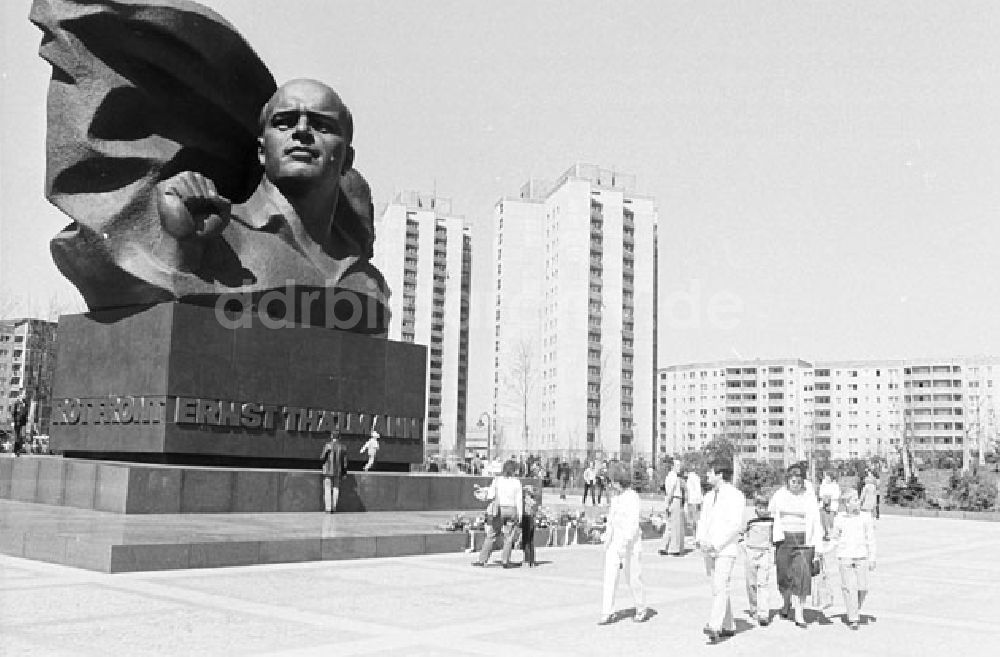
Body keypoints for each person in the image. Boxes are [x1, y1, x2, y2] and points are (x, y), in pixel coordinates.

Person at [696, 459, 746, 644]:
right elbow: (703, 520)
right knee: (718, 587)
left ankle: (714, 625)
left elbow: (734, 525)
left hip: (726, 548)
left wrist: (716, 544)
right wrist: (700, 540)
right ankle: (729, 624)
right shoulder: (709, 496)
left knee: (720, 586)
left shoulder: (736, 496)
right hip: (709, 549)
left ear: (720, 474)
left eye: (710, 472)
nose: (707, 475)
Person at [769, 465, 824, 628]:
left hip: (804, 541)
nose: (795, 484)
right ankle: (786, 602)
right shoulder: (780, 495)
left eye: (798, 482)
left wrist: (818, 548)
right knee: (784, 575)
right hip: (784, 540)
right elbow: (770, 512)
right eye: (792, 481)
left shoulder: (809, 496)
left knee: (802, 576)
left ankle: (799, 613)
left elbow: (816, 521)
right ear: (787, 481)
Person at [598, 470, 651, 625]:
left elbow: (632, 524)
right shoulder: (615, 498)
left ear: (620, 482)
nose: (612, 485)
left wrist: (625, 542)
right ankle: (607, 611)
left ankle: (641, 607)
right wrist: (606, 537)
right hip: (614, 543)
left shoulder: (632, 497)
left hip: (630, 544)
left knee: (633, 577)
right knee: (610, 577)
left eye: (614, 481)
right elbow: (611, 521)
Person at [832, 489, 877, 630]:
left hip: (861, 556)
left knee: (862, 588)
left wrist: (872, 558)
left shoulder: (865, 517)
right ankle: (853, 618)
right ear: (847, 503)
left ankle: (854, 609)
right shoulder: (840, 518)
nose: (858, 502)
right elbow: (835, 537)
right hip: (845, 556)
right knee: (849, 587)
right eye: (854, 499)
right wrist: (824, 550)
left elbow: (871, 538)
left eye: (858, 499)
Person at [472, 460, 523, 568]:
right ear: (514, 470)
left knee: (492, 534)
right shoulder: (517, 482)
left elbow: (490, 495)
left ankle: (482, 560)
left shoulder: (498, 480)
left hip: (499, 509)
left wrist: (482, 493)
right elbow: (519, 500)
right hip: (512, 510)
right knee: (509, 537)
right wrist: (520, 514)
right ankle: (505, 561)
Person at [742, 492, 775, 626]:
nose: (763, 510)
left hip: (765, 553)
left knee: (763, 583)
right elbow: (741, 532)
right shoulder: (750, 519)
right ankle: (754, 608)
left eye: (765, 507)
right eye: (760, 507)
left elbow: (774, 535)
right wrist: (744, 546)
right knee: (751, 583)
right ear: (756, 507)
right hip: (751, 551)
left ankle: (763, 613)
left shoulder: (771, 520)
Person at [659, 459, 685, 556]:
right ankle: (674, 549)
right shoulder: (674, 477)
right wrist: (668, 502)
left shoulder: (668, 476)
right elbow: (671, 490)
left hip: (671, 500)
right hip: (675, 499)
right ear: (672, 466)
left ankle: (664, 546)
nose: (679, 468)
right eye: (677, 466)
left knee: (669, 526)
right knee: (675, 526)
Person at [319, 430, 347, 513]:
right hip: (338, 471)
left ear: (331, 436)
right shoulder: (343, 447)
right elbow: (344, 462)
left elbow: (322, 457)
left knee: (327, 488)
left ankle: (328, 508)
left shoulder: (328, 445)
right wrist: (344, 472)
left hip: (328, 470)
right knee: (336, 488)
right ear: (339, 437)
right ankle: (334, 507)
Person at [521, 485, 539, 568]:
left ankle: (527, 560)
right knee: (531, 540)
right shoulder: (534, 501)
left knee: (526, 540)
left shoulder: (525, 501)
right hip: (532, 519)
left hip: (527, 519)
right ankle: (532, 560)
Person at [686, 468, 704, 536]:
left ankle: (695, 537)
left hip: (692, 501)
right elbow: (698, 490)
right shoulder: (696, 478)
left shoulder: (690, 479)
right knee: (696, 520)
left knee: (693, 521)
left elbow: (689, 491)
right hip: (697, 501)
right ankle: (696, 536)